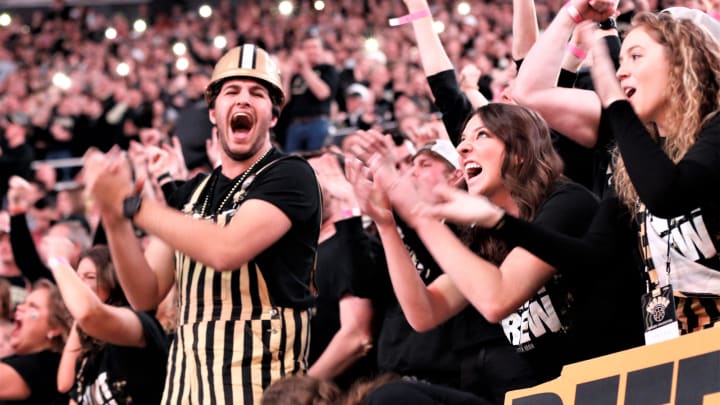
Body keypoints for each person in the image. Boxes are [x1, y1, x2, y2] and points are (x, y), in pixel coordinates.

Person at [85, 43, 322, 405]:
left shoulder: (291, 175)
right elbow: (145, 293)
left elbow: (226, 250)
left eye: (257, 93)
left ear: (273, 117)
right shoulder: (193, 193)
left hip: (261, 390)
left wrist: (131, 205)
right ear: (213, 112)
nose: (243, 100)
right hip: (186, 388)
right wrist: (114, 219)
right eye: (232, 91)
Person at [350, 103, 607, 389]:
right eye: (462, 141)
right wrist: (386, 224)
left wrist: (410, 204)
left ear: (520, 151)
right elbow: (424, 313)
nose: (462, 149)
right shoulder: (486, 234)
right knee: (391, 395)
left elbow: (496, 300)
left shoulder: (566, 203)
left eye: (482, 135)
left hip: (602, 383)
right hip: (545, 391)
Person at [48, 243, 168, 405]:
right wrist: (81, 319)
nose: (80, 284)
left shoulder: (139, 323)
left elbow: (89, 313)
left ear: (113, 281)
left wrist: (58, 260)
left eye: (90, 277)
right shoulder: (92, 344)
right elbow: (64, 384)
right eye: (77, 277)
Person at [305, 152, 376, 389]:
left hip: (342, 391)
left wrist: (300, 386)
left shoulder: (354, 247)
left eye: (317, 175)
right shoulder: (302, 253)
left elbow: (356, 337)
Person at [0, 279, 72, 404]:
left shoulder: (47, 365)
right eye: (23, 303)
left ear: (55, 328)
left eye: (32, 306)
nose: (20, 307)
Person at [283, 32, 340, 153]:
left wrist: (304, 67)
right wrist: (287, 76)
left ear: (322, 51)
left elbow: (322, 93)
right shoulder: (296, 74)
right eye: (307, 48)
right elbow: (284, 100)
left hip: (317, 122)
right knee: (292, 163)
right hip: (295, 124)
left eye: (315, 47)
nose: (311, 51)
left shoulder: (328, 69)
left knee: (317, 162)